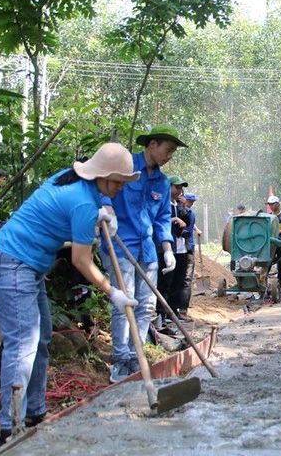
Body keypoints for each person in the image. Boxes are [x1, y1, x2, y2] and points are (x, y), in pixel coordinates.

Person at [0, 143, 139, 447]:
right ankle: (8, 429)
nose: (120, 188)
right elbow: (81, 260)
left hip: (26, 266)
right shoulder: (82, 201)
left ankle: (34, 413)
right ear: (102, 176)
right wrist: (113, 292)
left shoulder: (74, 181)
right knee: (23, 343)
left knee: (40, 338)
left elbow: (62, 221)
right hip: (12, 264)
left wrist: (100, 213)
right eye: (118, 182)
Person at [99, 124, 185, 383]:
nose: (169, 156)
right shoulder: (125, 165)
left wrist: (167, 249)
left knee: (146, 305)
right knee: (125, 301)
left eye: (172, 152)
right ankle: (121, 360)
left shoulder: (161, 181)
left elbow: (162, 218)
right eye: (167, 150)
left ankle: (136, 355)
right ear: (152, 145)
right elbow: (102, 188)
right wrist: (106, 208)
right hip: (119, 243)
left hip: (147, 250)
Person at [159, 175, 191, 321]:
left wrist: (183, 208)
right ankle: (162, 312)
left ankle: (174, 310)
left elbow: (187, 222)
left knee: (179, 281)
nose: (179, 191)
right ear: (168, 187)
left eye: (181, 188)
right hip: (168, 248)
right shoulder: (163, 203)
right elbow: (158, 220)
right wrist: (175, 219)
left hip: (181, 248)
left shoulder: (178, 206)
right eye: (176, 187)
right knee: (166, 282)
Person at [183, 192, 201, 297]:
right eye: (191, 202)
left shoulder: (188, 212)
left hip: (188, 244)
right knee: (187, 275)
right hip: (187, 245)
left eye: (192, 202)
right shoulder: (188, 212)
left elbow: (191, 223)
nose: (192, 203)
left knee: (186, 274)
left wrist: (197, 229)